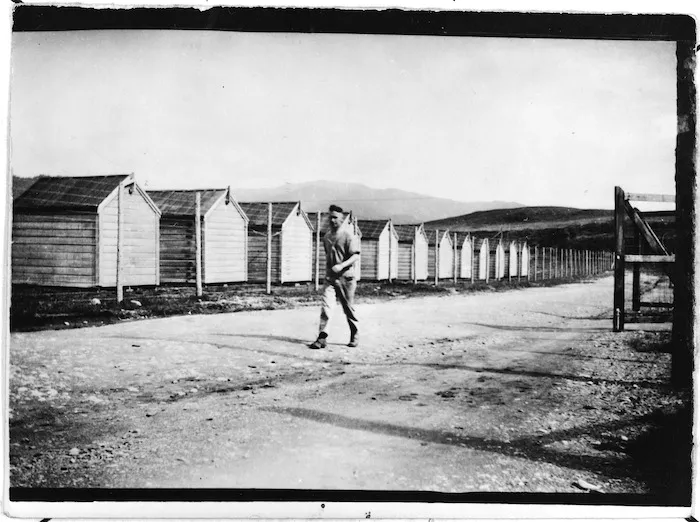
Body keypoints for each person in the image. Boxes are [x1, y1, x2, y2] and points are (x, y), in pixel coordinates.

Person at [309, 205, 361, 349]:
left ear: (342, 219)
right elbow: (328, 256)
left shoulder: (348, 235)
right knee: (326, 308)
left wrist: (342, 265)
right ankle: (322, 337)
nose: (332, 220)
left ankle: (354, 333)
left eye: (335, 217)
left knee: (348, 309)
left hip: (346, 278)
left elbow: (355, 255)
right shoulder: (326, 236)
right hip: (330, 278)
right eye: (330, 217)